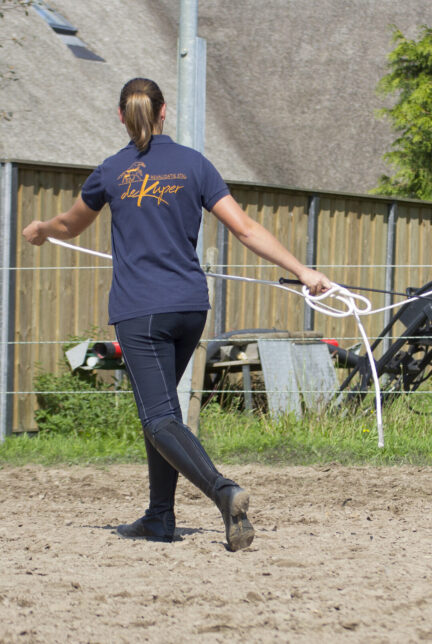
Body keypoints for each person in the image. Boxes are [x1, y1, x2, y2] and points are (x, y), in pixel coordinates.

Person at [22, 77, 333, 552]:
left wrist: (43, 229)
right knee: (162, 410)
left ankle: (222, 490)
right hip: (190, 307)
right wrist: (302, 270)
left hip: (141, 311)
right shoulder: (194, 165)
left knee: (158, 418)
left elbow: (70, 224)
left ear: (121, 116)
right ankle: (159, 518)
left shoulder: (110, 171)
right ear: (164, 112)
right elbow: (246, 229)